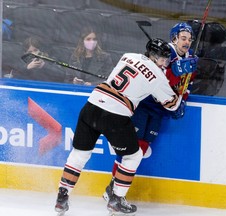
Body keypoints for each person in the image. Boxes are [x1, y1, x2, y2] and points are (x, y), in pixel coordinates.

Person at [55, 38, 185, 215]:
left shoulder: (127, 56)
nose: (165, 62)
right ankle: (116, 199)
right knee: (133, 156)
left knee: (79, 153)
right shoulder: (158, 76)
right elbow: (172, 105)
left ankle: (62, 196)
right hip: (115, 114)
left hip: (91, 106)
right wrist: (179, 103)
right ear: (155, 57)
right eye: (163, 59)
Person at [102, 22, 198, 202]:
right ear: (174, 38)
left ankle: (115, 190)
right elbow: (154, 78)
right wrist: (174, 70)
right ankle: (113, 189)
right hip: (144, 103)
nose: (186, 42)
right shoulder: (165, 52)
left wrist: (181, 101)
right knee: (131, 149)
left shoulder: (191, 58)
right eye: (183, 38)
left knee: (144, 146)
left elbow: (187, 84)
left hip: (159, 110)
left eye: (189, 39)